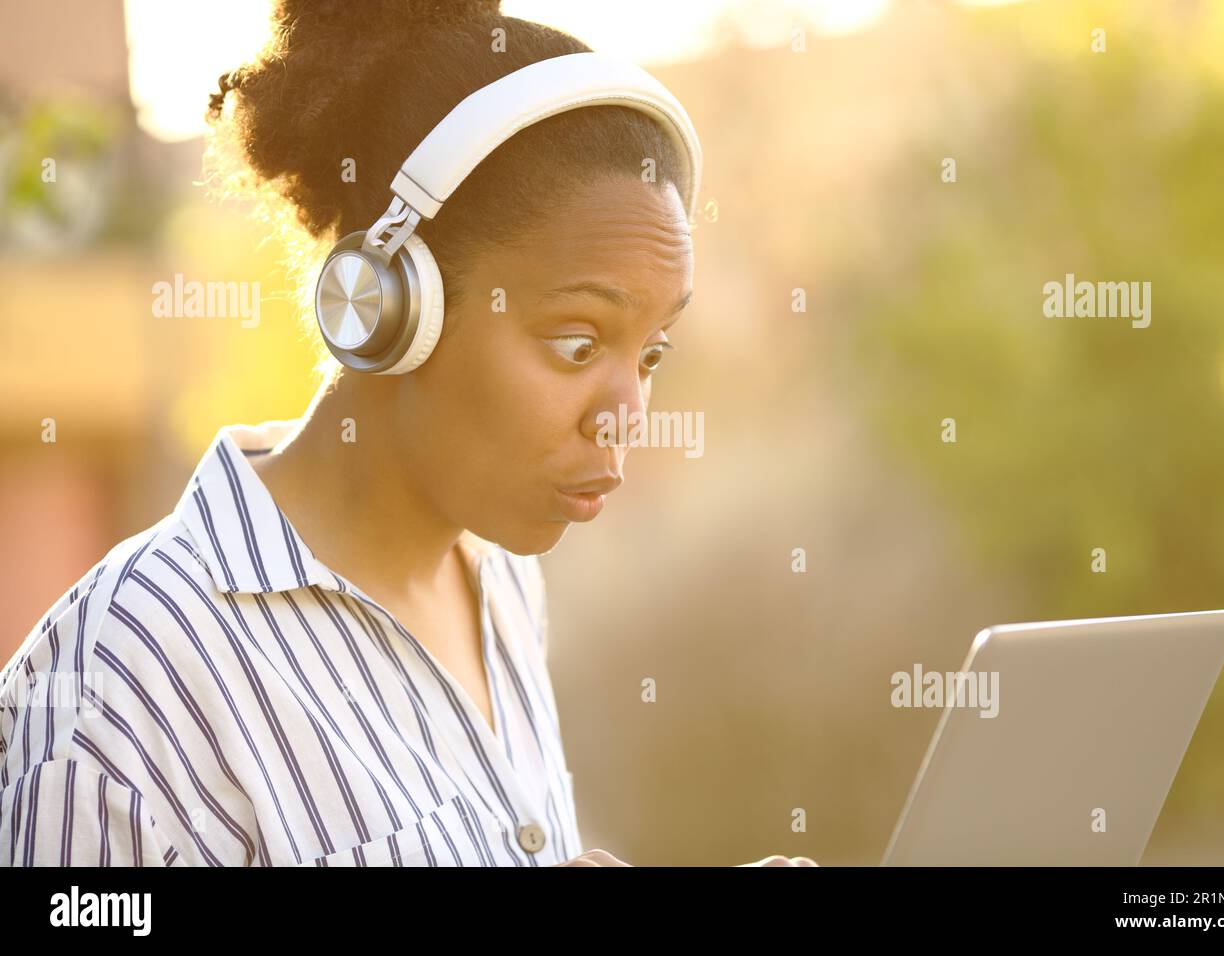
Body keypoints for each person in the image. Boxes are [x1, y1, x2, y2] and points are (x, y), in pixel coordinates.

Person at [0, 0, 816, 868]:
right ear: (388, 308)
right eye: (577, 343)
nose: (626, 416)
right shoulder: (118, 681)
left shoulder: (499, 579)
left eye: (650, 354)